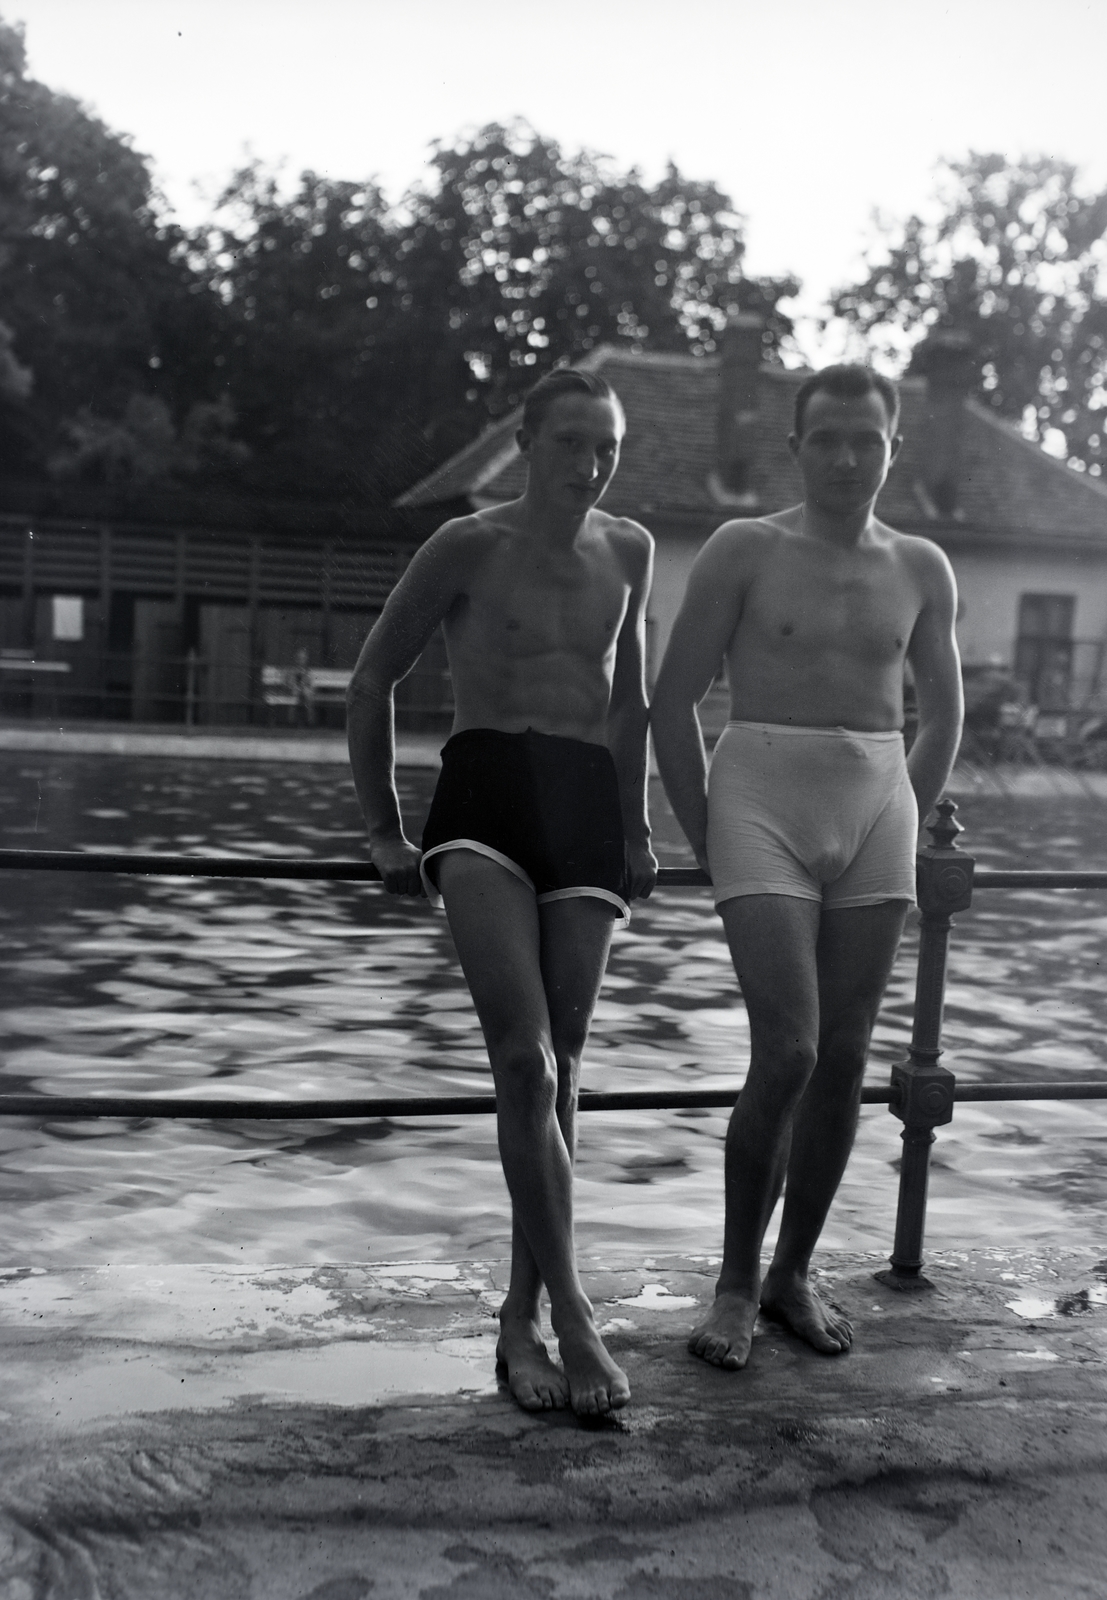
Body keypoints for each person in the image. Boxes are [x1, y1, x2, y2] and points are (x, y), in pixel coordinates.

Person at [346, 368, 657, 1416]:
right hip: (483, 788)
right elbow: (372, 675)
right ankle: (573, 1313)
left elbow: (632, 706)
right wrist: (384, 826)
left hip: (582, 807)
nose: (588, 463)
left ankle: (518, 1316)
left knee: (561, 1073)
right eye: (569, 442)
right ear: (524, 444)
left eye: (605, 446)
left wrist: (640, 826)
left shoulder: (632, 550)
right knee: (521, 1059)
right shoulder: (465, 544)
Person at [650, 363, 963, 1370]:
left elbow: (942, 708)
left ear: (890, 448)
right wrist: (704, 835)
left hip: (875, 794)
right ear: (796, 445)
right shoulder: (745, 548)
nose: (843, 457)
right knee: (785, 1047)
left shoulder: (921, 566)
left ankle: (792, 1273)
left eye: (863, 440)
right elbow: (673, 700)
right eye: (824, 437)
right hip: (760, 793)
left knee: (843, 1057)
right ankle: (736, 1279)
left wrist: (903, 811)